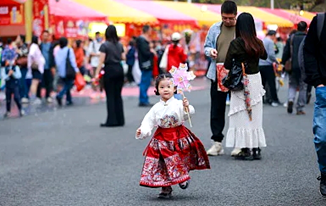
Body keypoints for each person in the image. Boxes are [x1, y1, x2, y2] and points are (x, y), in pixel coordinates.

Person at [135, 73, 210, 199]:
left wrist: (187, 108)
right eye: (162, 87)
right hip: (162, 138)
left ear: (175, 88)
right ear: (157, 90)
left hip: (178, 135)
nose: (166, 89)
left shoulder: (179, 103)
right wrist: (142, 130)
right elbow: (149, 121)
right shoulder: (156, 108)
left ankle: (182, 176)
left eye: (169, 86)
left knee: (179, 158)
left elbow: (187, 115)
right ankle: (166, 188)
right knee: (163, 163)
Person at [224, 12, 267, 160]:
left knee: (241, 114)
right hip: (255, 80)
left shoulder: (236, 43)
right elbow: (265, 56)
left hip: (241, 81)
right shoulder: (257, 42)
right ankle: (256, 148)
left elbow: (227, 64)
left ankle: (244, 148)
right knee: (255, 113)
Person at [204, 0, 240, 156]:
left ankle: (239, 143)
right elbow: (206, 46)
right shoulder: (214, 28)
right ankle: (217, 142)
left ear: (236, 15)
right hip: (217, 72)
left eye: (230, 18)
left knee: (238, 109)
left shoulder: (241, 28)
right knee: (217, 109)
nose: (227, 21)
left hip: (237, 74)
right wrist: (210, 51)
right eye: (224, 18)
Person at [303, 12, 326, 196]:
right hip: (324, 88)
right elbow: (308, 52)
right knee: (322, 137)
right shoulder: (320, 21)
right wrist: (317, 82)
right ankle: (325, 173)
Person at [95, 25, 125, 127]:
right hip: (119, 69)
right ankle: (120, 119)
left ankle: (112, 120)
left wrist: (96, 73)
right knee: (118, 95)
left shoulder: (104, 46)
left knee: (110, 95)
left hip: (110, 69)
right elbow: (123, 57)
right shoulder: (120, 45)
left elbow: (101, 60)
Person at [282, 21, 308, 115]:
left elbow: (286, 52)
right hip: (304, 66)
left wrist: (283, 63)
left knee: (292, 84)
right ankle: (300, 108)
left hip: (292, 66)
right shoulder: (307, 38)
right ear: (306, 28)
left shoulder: (292, 38)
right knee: (302, 87)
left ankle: (290, 99)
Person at [1, 38, 24, 117]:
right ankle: (8, 111)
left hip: (15, 84)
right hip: (8, 85)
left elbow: (19, 76)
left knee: (17, 97)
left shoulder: (16, 68)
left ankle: (20, 109)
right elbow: (3, 77)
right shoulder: (4, 69)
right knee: (8, 99)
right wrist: (8, 75)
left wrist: (13, 73)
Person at [54, 37, 79, 106]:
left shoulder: (58, 51)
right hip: (68, 71)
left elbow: (57, 62)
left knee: (66, 84)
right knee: (69, 84)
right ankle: (60, 95)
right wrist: (76, 70)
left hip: (61, 72)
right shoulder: (69, 50)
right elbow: (72, 61)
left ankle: (69, 99)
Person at [259, 30, 280, 107]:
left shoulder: (261, 41)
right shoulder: (270, 42)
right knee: (271, 83)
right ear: (273, 35)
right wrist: (276, 61)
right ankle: (273, 99)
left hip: (260, 65)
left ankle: (262, 99)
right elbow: (271, 54)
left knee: (262, 84)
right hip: (267, 65)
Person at [136, 25, 155, 107]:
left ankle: (144, 98)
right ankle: (143, 99)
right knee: (144, 81)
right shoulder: (142, 40)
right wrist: (151, 53)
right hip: (145, 63)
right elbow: (145, 52)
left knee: (146, 81)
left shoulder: (144, 40)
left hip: (146, 62)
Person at [37, 30, 55, 104]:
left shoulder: (50, 45)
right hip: (40, 67)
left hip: (48, 66)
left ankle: (48, 96)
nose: (45, 37)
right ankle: (38, 96)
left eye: (46, 35)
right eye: (44, 35)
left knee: (49, 82)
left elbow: (52, 56)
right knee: (39, 82)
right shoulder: (39, 46)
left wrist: (52, 66)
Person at [28, 36, 45, 104]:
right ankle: (33, 97)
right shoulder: (34, 46)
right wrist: (34, 61)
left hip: (37, 67)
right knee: (34, 83)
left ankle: (34, 97)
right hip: (36, 68)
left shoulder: (34, 46)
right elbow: (31, 54)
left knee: (35, 82)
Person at [15, 34, 30, 104]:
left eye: (18, 38)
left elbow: (26, 54)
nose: (16, 39)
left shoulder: (24, 46)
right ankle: (21, 96)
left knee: (22, 81)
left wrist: (18, 52)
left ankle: (25, 96)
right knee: (20, 82)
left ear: (21, 39)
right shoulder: (18, 47)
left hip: (23, 67)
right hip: (19, 67)